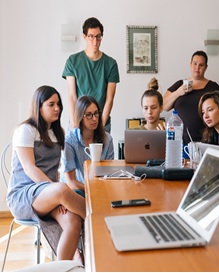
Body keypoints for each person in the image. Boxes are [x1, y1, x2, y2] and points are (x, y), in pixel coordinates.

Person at [8, 86, 87, 261]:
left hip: (49, 194)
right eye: (51, 104)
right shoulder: (26, 130)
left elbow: (55, 171)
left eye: (58, 104)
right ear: (39, 106)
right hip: (23, 195)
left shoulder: (58, 133)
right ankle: (98, 219)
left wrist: (56, 194)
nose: (57, 108)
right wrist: (57, 192)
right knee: (63, 189)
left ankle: (64, 267)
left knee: (73, 221)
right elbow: (30, 168)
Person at [62, 17, 120, 133]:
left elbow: (109, 99)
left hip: (101, 121)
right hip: (79, 121)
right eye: (91, 36)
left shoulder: (111, 64)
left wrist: (101, 126)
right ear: (84, 36)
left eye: (98, 37)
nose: (95, 41)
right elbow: (72, 96)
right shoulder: (72, 61)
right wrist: (75, 125)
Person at [165, 51, 219, 144]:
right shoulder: (180, 84)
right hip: (179, 141)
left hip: (206, 140)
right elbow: (164, 106)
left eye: (201, 65)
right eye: (195, 64)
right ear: (190, 64)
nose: (197, 68)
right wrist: (178, 92)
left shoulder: (213, 87)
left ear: (206, 67)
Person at [62, 96, 115, 197]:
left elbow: (109, 173)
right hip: (78, 190)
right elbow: (71, 182)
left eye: (96, 113)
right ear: (80, 117)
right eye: (89, 115)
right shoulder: (70, 140)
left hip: (101, 188)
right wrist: (92, 189)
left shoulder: (108, 139)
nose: (94, 118)